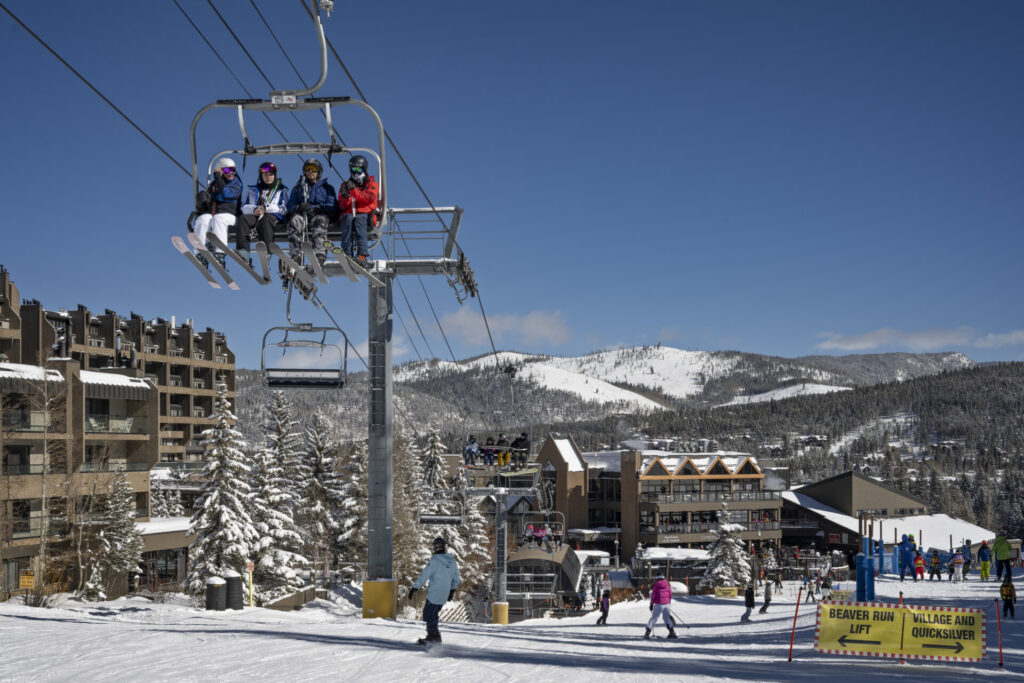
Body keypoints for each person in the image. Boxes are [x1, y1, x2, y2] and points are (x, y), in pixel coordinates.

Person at [285, 159, 339, 282]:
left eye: (313, 169)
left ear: (318, 172)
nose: (310, 172)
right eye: (308, 169)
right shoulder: (299, 188)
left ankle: (319, 255)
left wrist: (319, 208)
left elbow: (332, 205)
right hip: (303, 215)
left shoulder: (327, 188)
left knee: (319, 222)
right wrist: (299, 207)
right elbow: (290, 205)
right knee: (294, 221)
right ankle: (296, 255)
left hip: (319, 215)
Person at [408, 536, 461, 645]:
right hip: (444, 595)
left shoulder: (434, 561)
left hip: (434, 594)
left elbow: (424, 576)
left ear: (436, 547)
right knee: (434, 613)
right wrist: (451, 591)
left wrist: (415, 587)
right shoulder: (452, 562)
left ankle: (433, 636)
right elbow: (456, 579)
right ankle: (434, 635)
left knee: (428, 614)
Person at [193, 157, 243, 268]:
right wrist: (203, 203)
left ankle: (220, 253)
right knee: (203, 219)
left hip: (231, 217)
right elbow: (210, 203)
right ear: (219, 171)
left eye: (233, 170)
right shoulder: (214, 186)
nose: (231, 173)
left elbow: (227, 194)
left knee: (219, 218)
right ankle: (200, 253)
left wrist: (218, 179)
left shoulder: (236, 183)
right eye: (227, 170)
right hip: (215, 214)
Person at [236, 161, 288, 267]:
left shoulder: (281, 190)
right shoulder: (253, 190)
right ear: (261, 176)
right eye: (265, 175)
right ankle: (243, 253)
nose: (268, 177)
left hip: (273, 217)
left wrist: (267, 209)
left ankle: (266, 253)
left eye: (271, 175)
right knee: (242, 219)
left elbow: (285, 208)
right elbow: (243, 207)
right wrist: (254, 210)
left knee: (266, 220)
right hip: (255, 216)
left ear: (274, 175)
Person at [338, 154, 378, 263]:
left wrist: (354, 191)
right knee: (347, 218)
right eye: (353, 169)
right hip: (350, 213)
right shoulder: (345, 184)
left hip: (367, 214)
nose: (356, 172)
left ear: (364, 169)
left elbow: (369, 198)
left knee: (360, 220)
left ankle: (362, 254)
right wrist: (346, 197)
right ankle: (347, 252)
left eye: (358, 169)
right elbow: (342, 205)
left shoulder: (371, 184)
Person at [644, 574, 676, 639]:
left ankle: (647, 633)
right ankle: (672, 632)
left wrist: (651, 604)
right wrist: (668, 603)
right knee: (667, 618)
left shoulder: (656, 585)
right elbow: (670, 595)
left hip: (659, 604)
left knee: (654, 618)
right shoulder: (667, 584)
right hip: (666, 604)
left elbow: (653, 596)